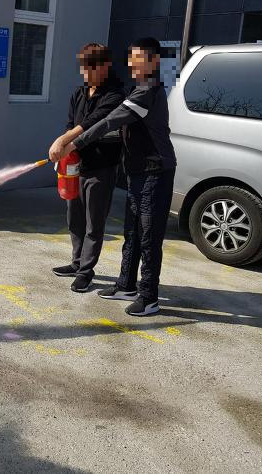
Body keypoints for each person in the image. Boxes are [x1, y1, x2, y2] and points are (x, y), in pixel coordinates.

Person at [51, 37, 176, 316]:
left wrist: (72, 144)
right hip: (136, 171)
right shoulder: (136, 89)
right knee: (132, 233)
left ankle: (149, 297)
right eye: (131, 58)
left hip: (155, 172)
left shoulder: (147, 91)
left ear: (155, 61)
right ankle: (126, 286)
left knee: (148, 237)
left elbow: (109, 121)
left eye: (139, 58)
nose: (133, 64)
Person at [48, 43, 124, 293]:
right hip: (76, 166)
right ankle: (76, 262)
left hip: (101, 167)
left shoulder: (115, 96)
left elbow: (93, 123)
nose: (86, 73)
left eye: (91, 68)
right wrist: (65, 150)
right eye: (84, 68)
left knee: (94, 222)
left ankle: (86, 272)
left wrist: (62, 141)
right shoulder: (78, 94)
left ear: (105, 66)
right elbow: (71, 124)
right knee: (75, 218)